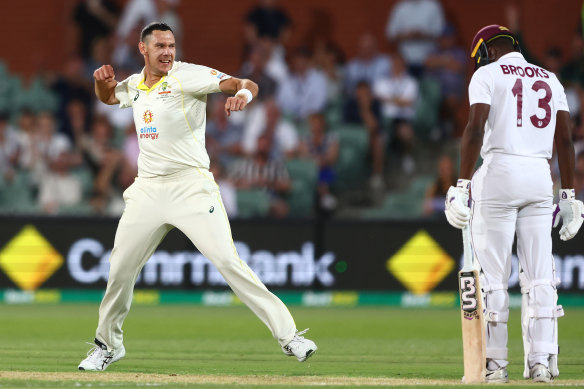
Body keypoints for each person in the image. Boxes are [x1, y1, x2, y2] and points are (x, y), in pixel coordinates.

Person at [78, 22, 316, 371]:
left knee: (227, 261)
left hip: (191, 186)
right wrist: (100, 83)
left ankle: (290, 336)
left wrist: (242, 96)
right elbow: (111, 96)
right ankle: (107, 346)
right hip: (147, 189)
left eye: (171, 46)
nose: (167, 52)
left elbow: (244, 83)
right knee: (120, 270)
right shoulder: (135, 85)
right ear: (143, 49)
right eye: (159, 46)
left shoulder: (187, 76)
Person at [444, 25, 584, 383]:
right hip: (540, 176)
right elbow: (566, 141)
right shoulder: (550, 78)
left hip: (499, 174)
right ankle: (542, 363)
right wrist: (569, 196)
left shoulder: (487, 74)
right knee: (540, 277)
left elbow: (475, 129)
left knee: (492, 278)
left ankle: (494, 365)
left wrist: (461, 184)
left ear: (486, 51)